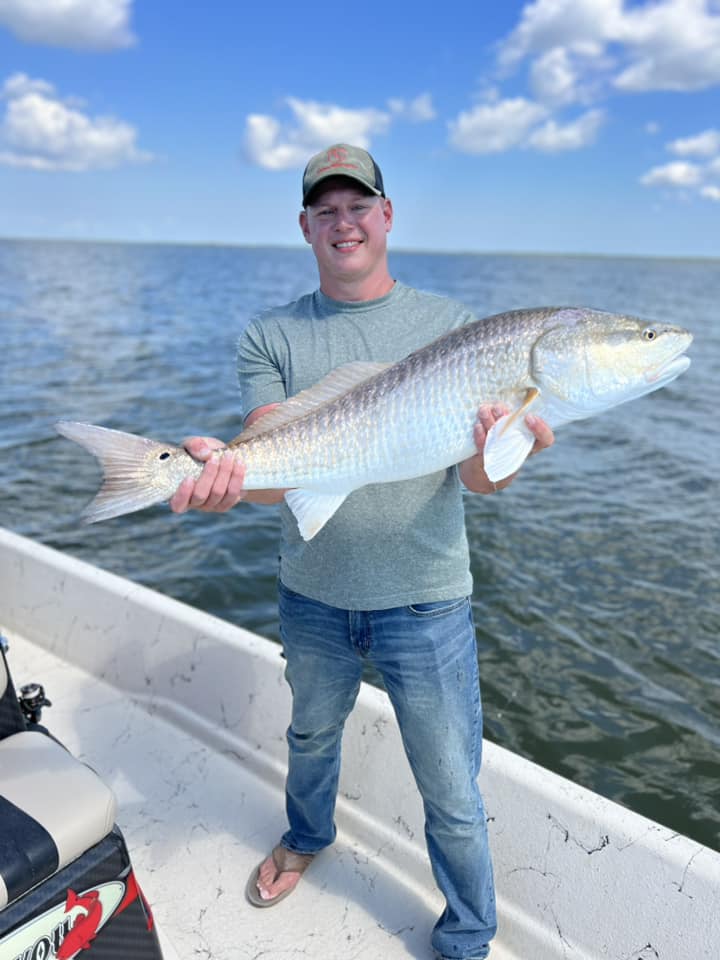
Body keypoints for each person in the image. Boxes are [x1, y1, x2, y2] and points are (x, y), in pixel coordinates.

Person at [169, 143, 554, 960]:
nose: (344, 222)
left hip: (426, 597)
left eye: (358, 206)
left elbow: (478, 480)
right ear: (305, 226)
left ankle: (467, 937)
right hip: (312, 592)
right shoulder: (270, 335)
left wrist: (509, 446)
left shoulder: (453, 327)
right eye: (327, 210)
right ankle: (307, 837)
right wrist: (227, 479)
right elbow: (273, 477)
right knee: (310, 738)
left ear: (387, 215)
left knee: (450, 784)